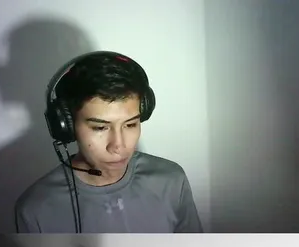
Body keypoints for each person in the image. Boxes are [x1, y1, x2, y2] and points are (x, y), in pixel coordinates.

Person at [14, 52, 202, 233]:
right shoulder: (35, 208)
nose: (118, 146)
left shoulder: (172, 181)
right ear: (67, 126)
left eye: (130, 124)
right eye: (100, 128)